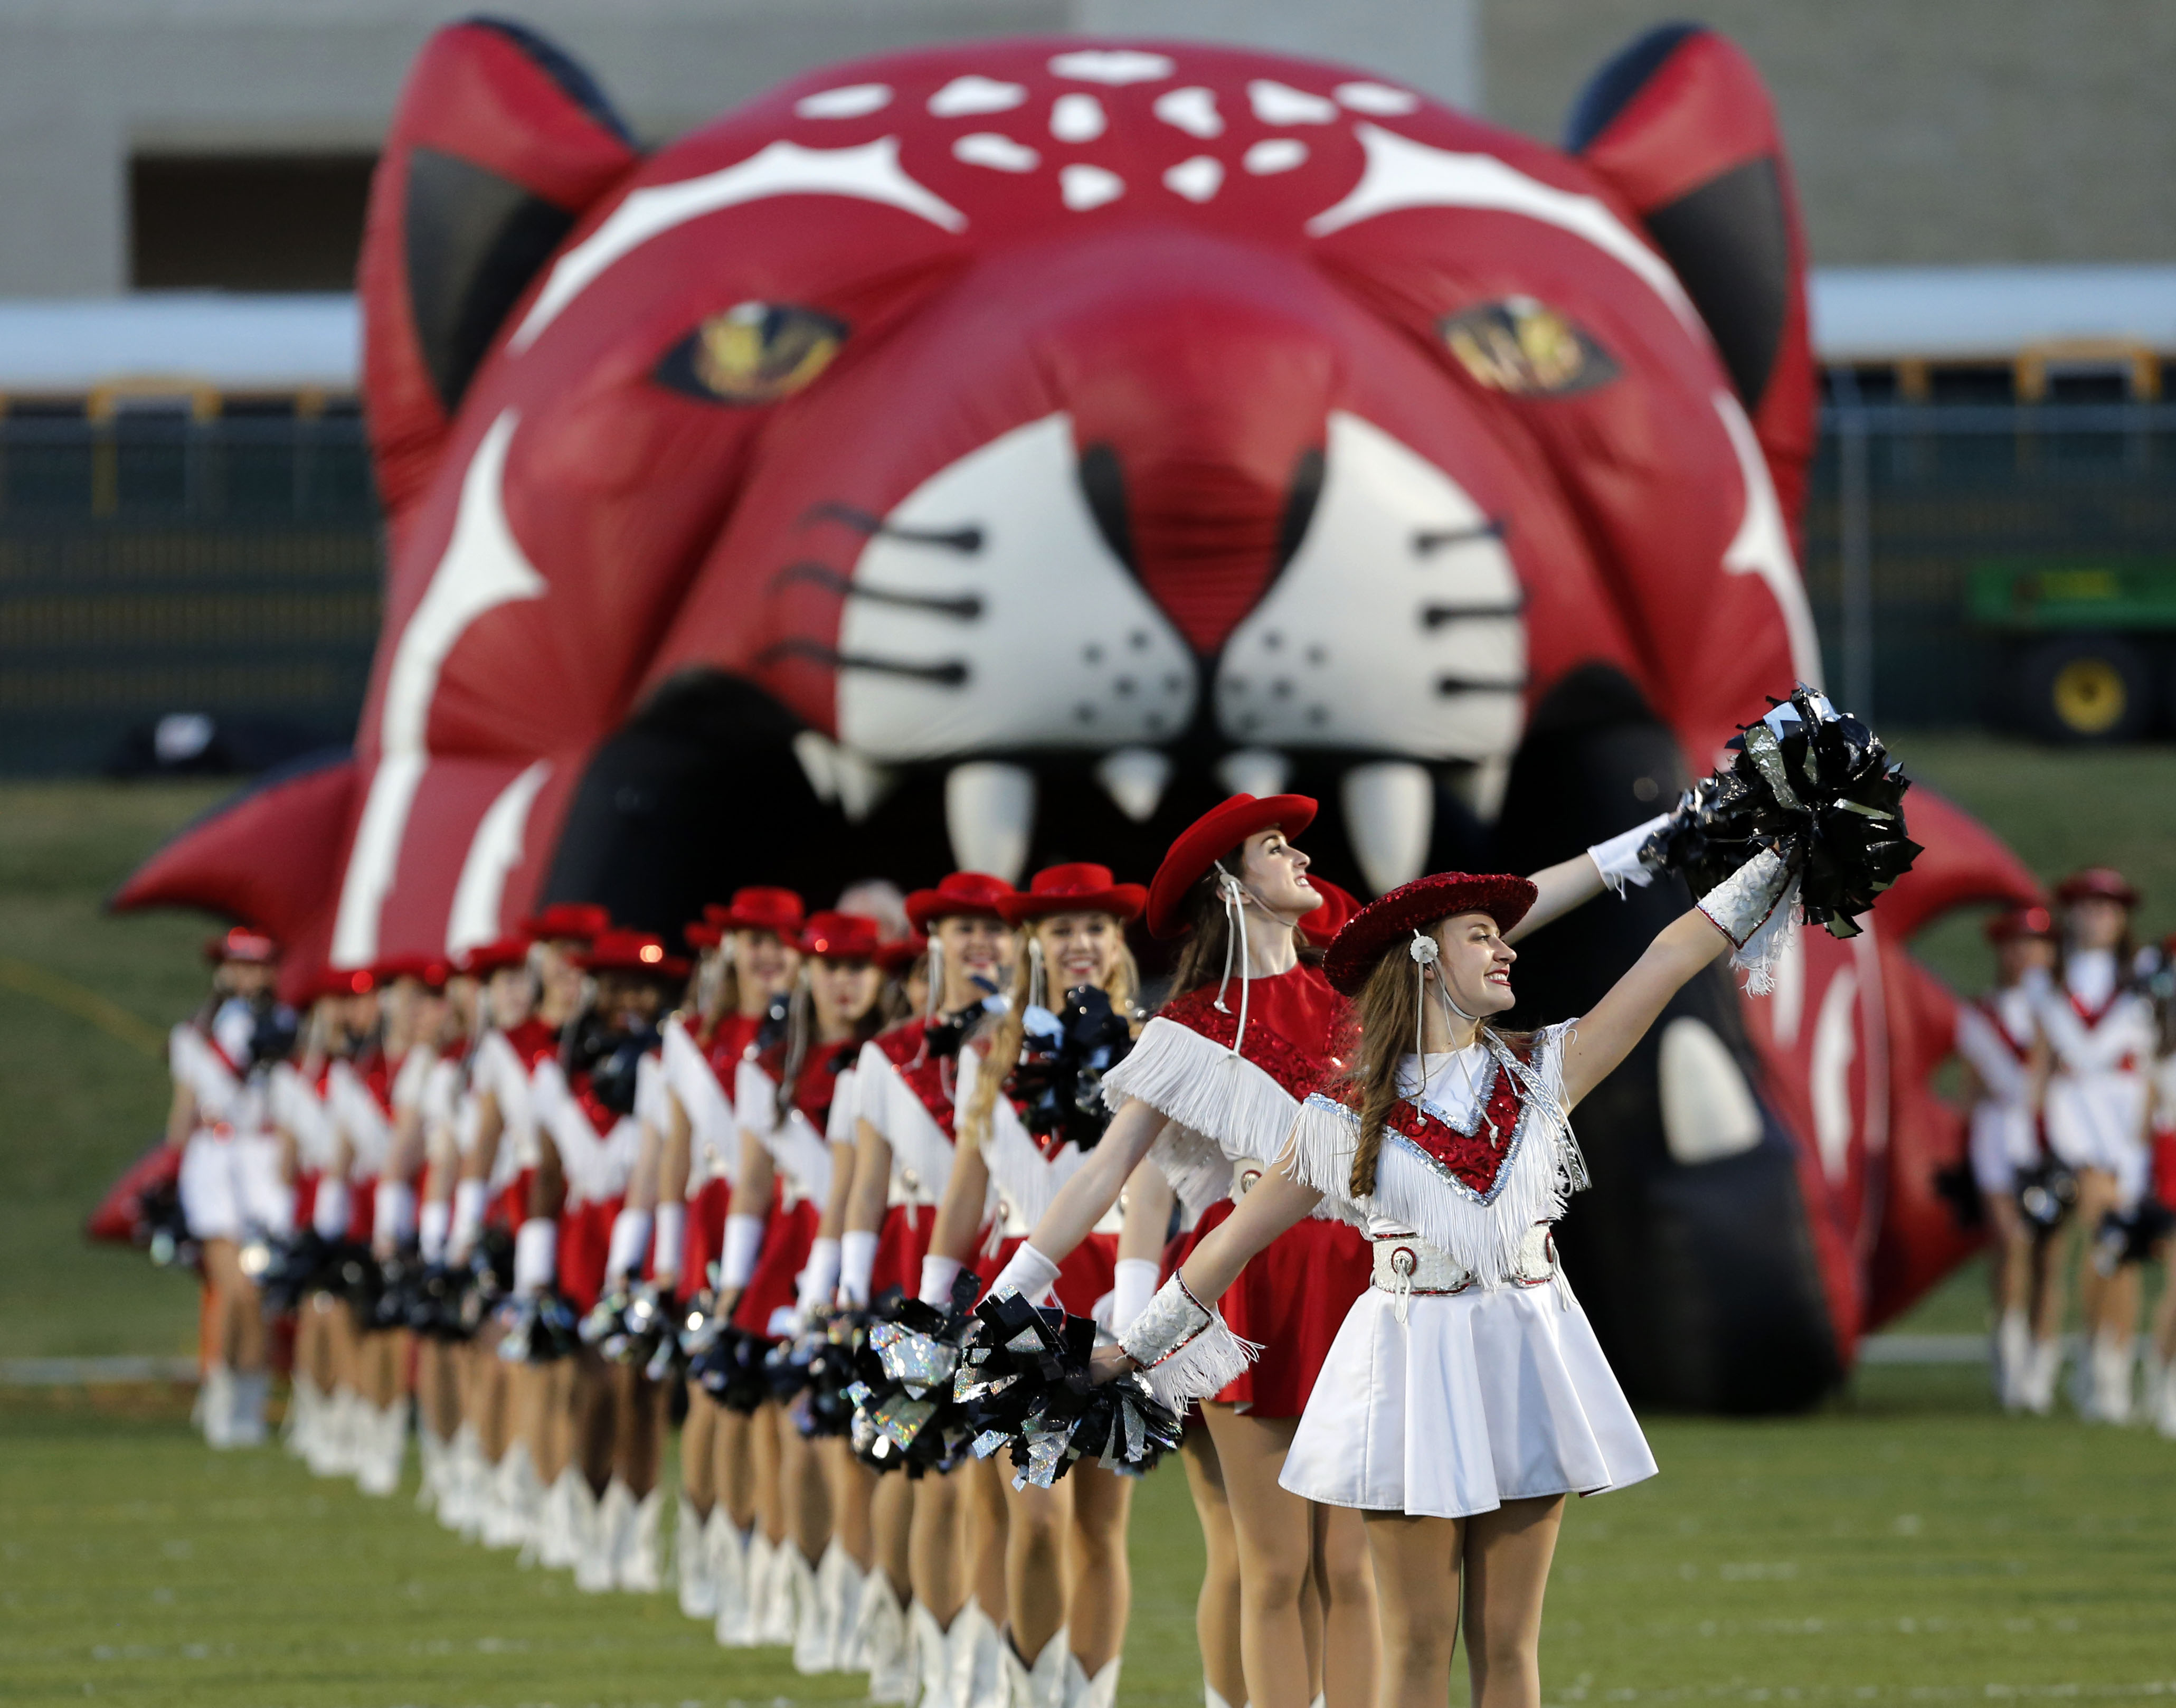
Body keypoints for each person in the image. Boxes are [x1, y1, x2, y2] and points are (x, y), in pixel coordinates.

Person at [990, 794, 1676, 1708]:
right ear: (1229, 887)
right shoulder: (1187, 1026)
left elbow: (1504, 909)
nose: (1303, 859)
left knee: (1358, 1574)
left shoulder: (1357, 982)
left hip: (1372, 1287)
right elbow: (1110, 1172)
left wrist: (1649, 843)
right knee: (1268, 1566)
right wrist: (1009, 1296)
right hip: (1252, 1288)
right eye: (1275, 848)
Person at [1104, 842, 1797, 1708]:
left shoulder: (1548, 1068)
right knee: (1417, 1643)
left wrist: (1786, 852)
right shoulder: (1344, 1113)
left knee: (1508, 1646)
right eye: (1481, 935)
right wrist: (1123, 1354)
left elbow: (1669, 954)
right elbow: (1225, 1249)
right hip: (1409, 1372)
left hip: (1527, 1360)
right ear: (1424, 956)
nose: (1506, 948)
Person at [928, 863, 1153, 1708]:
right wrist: (929, 1305)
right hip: (1021, 1295)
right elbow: (963, 1194)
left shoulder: (1154, 1042)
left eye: (1094, 925)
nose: (1080, 943)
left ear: (1115, 940)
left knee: (1100, 1528)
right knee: (1036, 1519)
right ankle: (1023, 1689)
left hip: (1119, 1295)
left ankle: (1085, 1696)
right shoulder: (988, 1052)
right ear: (1037, 943)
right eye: (1061, 929)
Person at [844, 871, 1018, 1708]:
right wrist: (844, 1288)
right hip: (914, 1271)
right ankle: (902, 1631)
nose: (983, 941)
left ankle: (974, 1669)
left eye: (997, 927)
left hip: (1012, 1273)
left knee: (994, 1486)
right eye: (964, 927)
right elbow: (866, 1180)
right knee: (916, 1468)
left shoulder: (1037, 1043)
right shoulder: (888, 1056)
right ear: (936, 941)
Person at [723, 910, 886, 1670]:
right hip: (797, 1254)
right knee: (803, 1435)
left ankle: (867, 1605)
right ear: (805, 972)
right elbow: (753, 1182)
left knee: (873, 1447)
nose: (847, 980)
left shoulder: (897, 1054)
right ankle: (806, 1588)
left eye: (862, 964)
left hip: (885, 1251)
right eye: (832, 965)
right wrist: (732, 1280)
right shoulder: (770, 1062)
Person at [657, 889, 802, 1625]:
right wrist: (663, 1253)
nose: (770, 954)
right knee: (715, 1397)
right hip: (720, 1223)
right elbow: (674, 1149)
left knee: (781, 1402)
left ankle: (769, 1560)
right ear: (731, 950)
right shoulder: (691, 1034)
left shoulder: (809, 1032)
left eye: (782, 940)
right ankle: (709, 1540)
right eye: (756, 940)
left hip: (797, 1217)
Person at [2033, 868, 2155, 1422]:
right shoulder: (2051, 984)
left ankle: (2113, 1366)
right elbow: (2043, 1064)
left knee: (2124, 1253)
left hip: (2131, 1122)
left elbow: (2155, 1059)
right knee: (2098, 1243)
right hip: (2075, 1121)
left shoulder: (2146, 979)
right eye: (2087, 906)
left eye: (2108, 908)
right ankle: (2091, 1361)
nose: (2098, 917)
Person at [168, 926, 293, 1450]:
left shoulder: (288, 1025)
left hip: (262, 1157)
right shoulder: (196, 1033)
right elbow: (183, 1109)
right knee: (231, 1287)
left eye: (258, 965)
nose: (249, 975)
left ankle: (251, 1396)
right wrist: (171, 1172)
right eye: (240, 964)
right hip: (214, 1159)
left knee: (257, 1289)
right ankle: (224, 1395)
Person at [1952, 905, 2056, 1411]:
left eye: (2035, 944)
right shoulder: (1981, 1014)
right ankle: (2010, 1358)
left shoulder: (2061, 1012)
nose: (2025, 954)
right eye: (2016, 944)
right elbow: (1980, 1087)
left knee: (2048, 1254)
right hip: (1997, 1136)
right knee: (2012, 1241)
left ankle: (2042, 1362)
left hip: (2049, 1137)